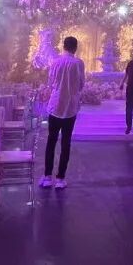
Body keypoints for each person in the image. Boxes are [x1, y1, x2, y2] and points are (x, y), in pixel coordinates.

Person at [39, 36, 85, 190]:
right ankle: (60, 178)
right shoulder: (79, 63)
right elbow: (81, 84)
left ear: (64, 46)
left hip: (55, 106)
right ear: (75, 48)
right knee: (66, 143)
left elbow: (50, 82)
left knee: (51, 141)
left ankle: (47, 177)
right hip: (70, 108)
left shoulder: (55, 62)